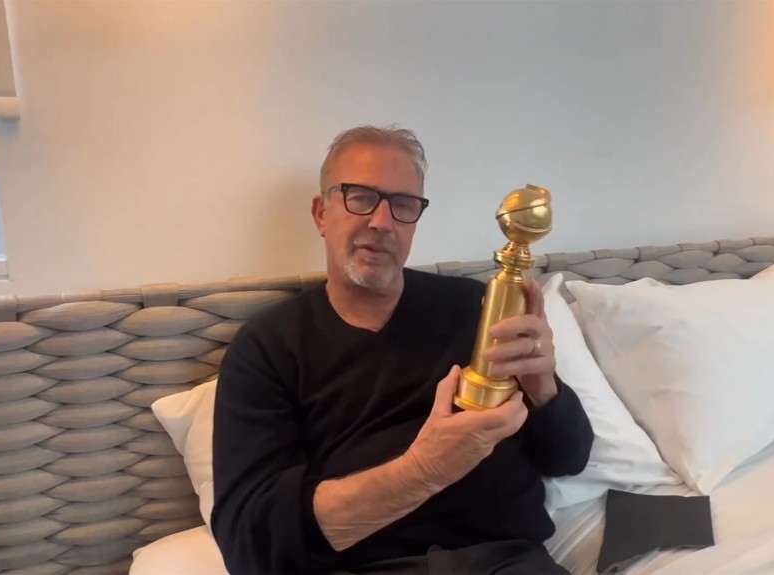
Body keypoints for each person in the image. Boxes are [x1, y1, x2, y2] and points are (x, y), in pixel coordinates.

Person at [210, 125, 595, 575]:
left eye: (403, 204)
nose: (381, 221)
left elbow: (569, 458)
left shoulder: (477, 308)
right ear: (321, 214)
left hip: (505, 561)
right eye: (360, 197)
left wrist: (544, 388)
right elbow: (250, 546)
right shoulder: (269, 347)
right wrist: (425, 469)